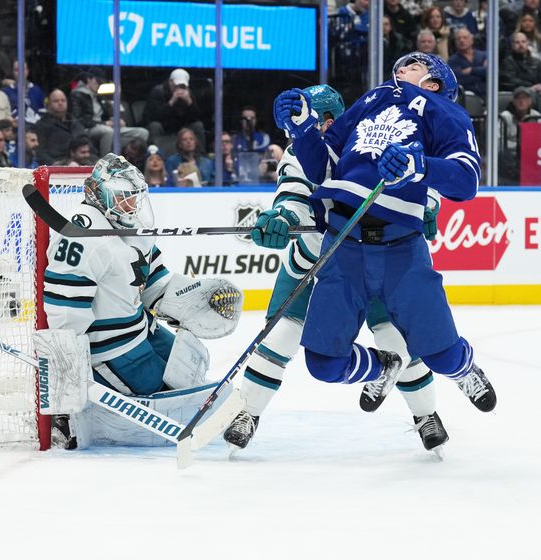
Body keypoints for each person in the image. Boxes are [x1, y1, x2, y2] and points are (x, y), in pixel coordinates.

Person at [266, 52, 496, 449]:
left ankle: (464, 369)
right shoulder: (372, 99)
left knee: (441, 355)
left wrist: (418, 165)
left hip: (401, 252)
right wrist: (302, 130)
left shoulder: (444, 111)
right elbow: (326, 167)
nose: (401, 66)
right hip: (343, 245)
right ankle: (384, 365)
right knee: (324, 364)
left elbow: (467, 179)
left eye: (416, 64)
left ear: (435, 82)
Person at [225, 84, 450, 455]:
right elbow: (293, 199)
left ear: (328, 119)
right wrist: (281, 218)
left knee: (398, 340)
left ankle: (426, 415)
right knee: (279, 338)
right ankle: (248, 412)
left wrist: (427, 205)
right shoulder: (297, 153)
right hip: (313, 262)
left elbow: (418, 179)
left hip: (369, 258)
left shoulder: (369, 144)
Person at [44, 154, 242, 448]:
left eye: (135, 197)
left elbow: (151, 281)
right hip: (109, 347)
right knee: (160, 394)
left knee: (190, 370)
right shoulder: (80, 235)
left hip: (141, 329)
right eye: (123, 197)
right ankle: (83, 416)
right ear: (98, 194)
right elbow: (64, 313)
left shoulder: (129, 224)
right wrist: (70, 382)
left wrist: (186, 298)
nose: (132, 205)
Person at [70, 69, 149, 156]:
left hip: (105, 126)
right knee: (108, 131)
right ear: (89, 79)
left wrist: (115, 120)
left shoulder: (98, 96)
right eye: (97, 81)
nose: (99, 85)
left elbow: (105, 115)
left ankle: (135, 159)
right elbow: (79, 120)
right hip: (90, 128)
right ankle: (106, 162)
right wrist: (105, 123)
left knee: (143, 132)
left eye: (101, 83)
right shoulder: (77, 95)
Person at [144, 68, 206, 151]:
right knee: (155, 126)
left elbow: (197, 117)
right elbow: (154, 116)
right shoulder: (158, 91)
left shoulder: (188, 93)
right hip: (163, 125)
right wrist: (172, 102)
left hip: (181, 125)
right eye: (177, 85)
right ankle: (158, 156)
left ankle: (200, 155)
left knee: (198, 125)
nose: (179, 88)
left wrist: (189, 102)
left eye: (182, 86)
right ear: (170, 82)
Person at [499, 86, 540, 183]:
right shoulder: (504, 117)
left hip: (532, 154)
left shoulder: (537, 116)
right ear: (513, 101)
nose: (521, 101)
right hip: (510, 155)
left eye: (525, 98)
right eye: (518, 98)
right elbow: (498, 141)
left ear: (530, 101)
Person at [35, 89, 87, 165]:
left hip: (81, 163)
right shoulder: (42, 125)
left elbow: (87, 145)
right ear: (48, 104)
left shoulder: (75, 123)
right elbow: (40, 152)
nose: (60, 103)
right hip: (57, 164)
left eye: (63, 100)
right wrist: (54, 164)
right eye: (56, 101)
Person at [2, 60, 45, 125]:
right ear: (13, 72)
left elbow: (43, 110)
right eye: (17, 70)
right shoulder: (5, 92)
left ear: (27, 71)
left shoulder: (37, 90)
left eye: (23, 69)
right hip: (16, 126)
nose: (20, 72)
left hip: (37, 126)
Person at [448, 27, 488, 98]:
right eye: (458, 38)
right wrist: (480, 72)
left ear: (472, 40)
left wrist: (470, 70)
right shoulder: (452, 60)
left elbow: (489, 73)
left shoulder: (484, 55)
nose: (462, 40)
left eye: (465, 37)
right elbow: (458, 80)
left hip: (487, 93)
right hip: (466, 96)